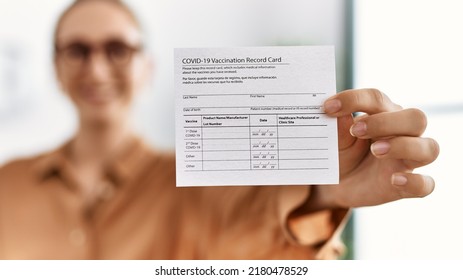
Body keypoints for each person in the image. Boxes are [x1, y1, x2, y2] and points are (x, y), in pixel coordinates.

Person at [0, 0, 439, 259]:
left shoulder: (205, 187)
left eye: (117, 49)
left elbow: (264, 239)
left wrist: (325, 194)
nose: (96, 69)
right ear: (56, 68)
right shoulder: (6, 183)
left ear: (147, 67)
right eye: (77, 51)